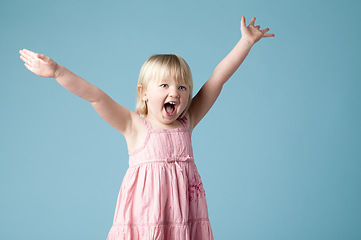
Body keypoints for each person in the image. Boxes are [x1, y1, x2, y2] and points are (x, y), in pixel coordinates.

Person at [19, 16, 274, 240]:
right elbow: (96, 97)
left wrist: (245, 43)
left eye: (182, 87)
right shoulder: (134, 125)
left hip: (183, 220)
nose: (174, 91)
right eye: (164, 85)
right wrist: (57, 72)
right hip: (145, 220)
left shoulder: (188, 121)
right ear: (143, 94)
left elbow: (218, 78)